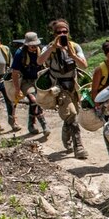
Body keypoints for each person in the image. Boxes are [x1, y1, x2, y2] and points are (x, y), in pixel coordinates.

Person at [37, 19, 88, 158]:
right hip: (58, 86)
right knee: (71, 114)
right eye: (58, 32)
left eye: (64, 31)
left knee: (73, 114)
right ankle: (79, 147)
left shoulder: (74, 46)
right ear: (54, 34)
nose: (62, 34)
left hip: (73, 85)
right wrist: (53, 48)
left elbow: (84, 65)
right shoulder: (49, 48)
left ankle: (66, 137)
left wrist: (72, 55)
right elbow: (40, 61)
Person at [11, 31, 47, 135]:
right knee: (34, 99)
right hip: (26, 81)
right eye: (31, 46)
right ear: (27, 45)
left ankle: (31, 124)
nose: (34, 47)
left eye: (35, 45)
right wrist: (17, 89)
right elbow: (15, 72)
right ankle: (44, 124)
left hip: (39, 80)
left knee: (36, 101)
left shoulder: (42, 51)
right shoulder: (20, 53)